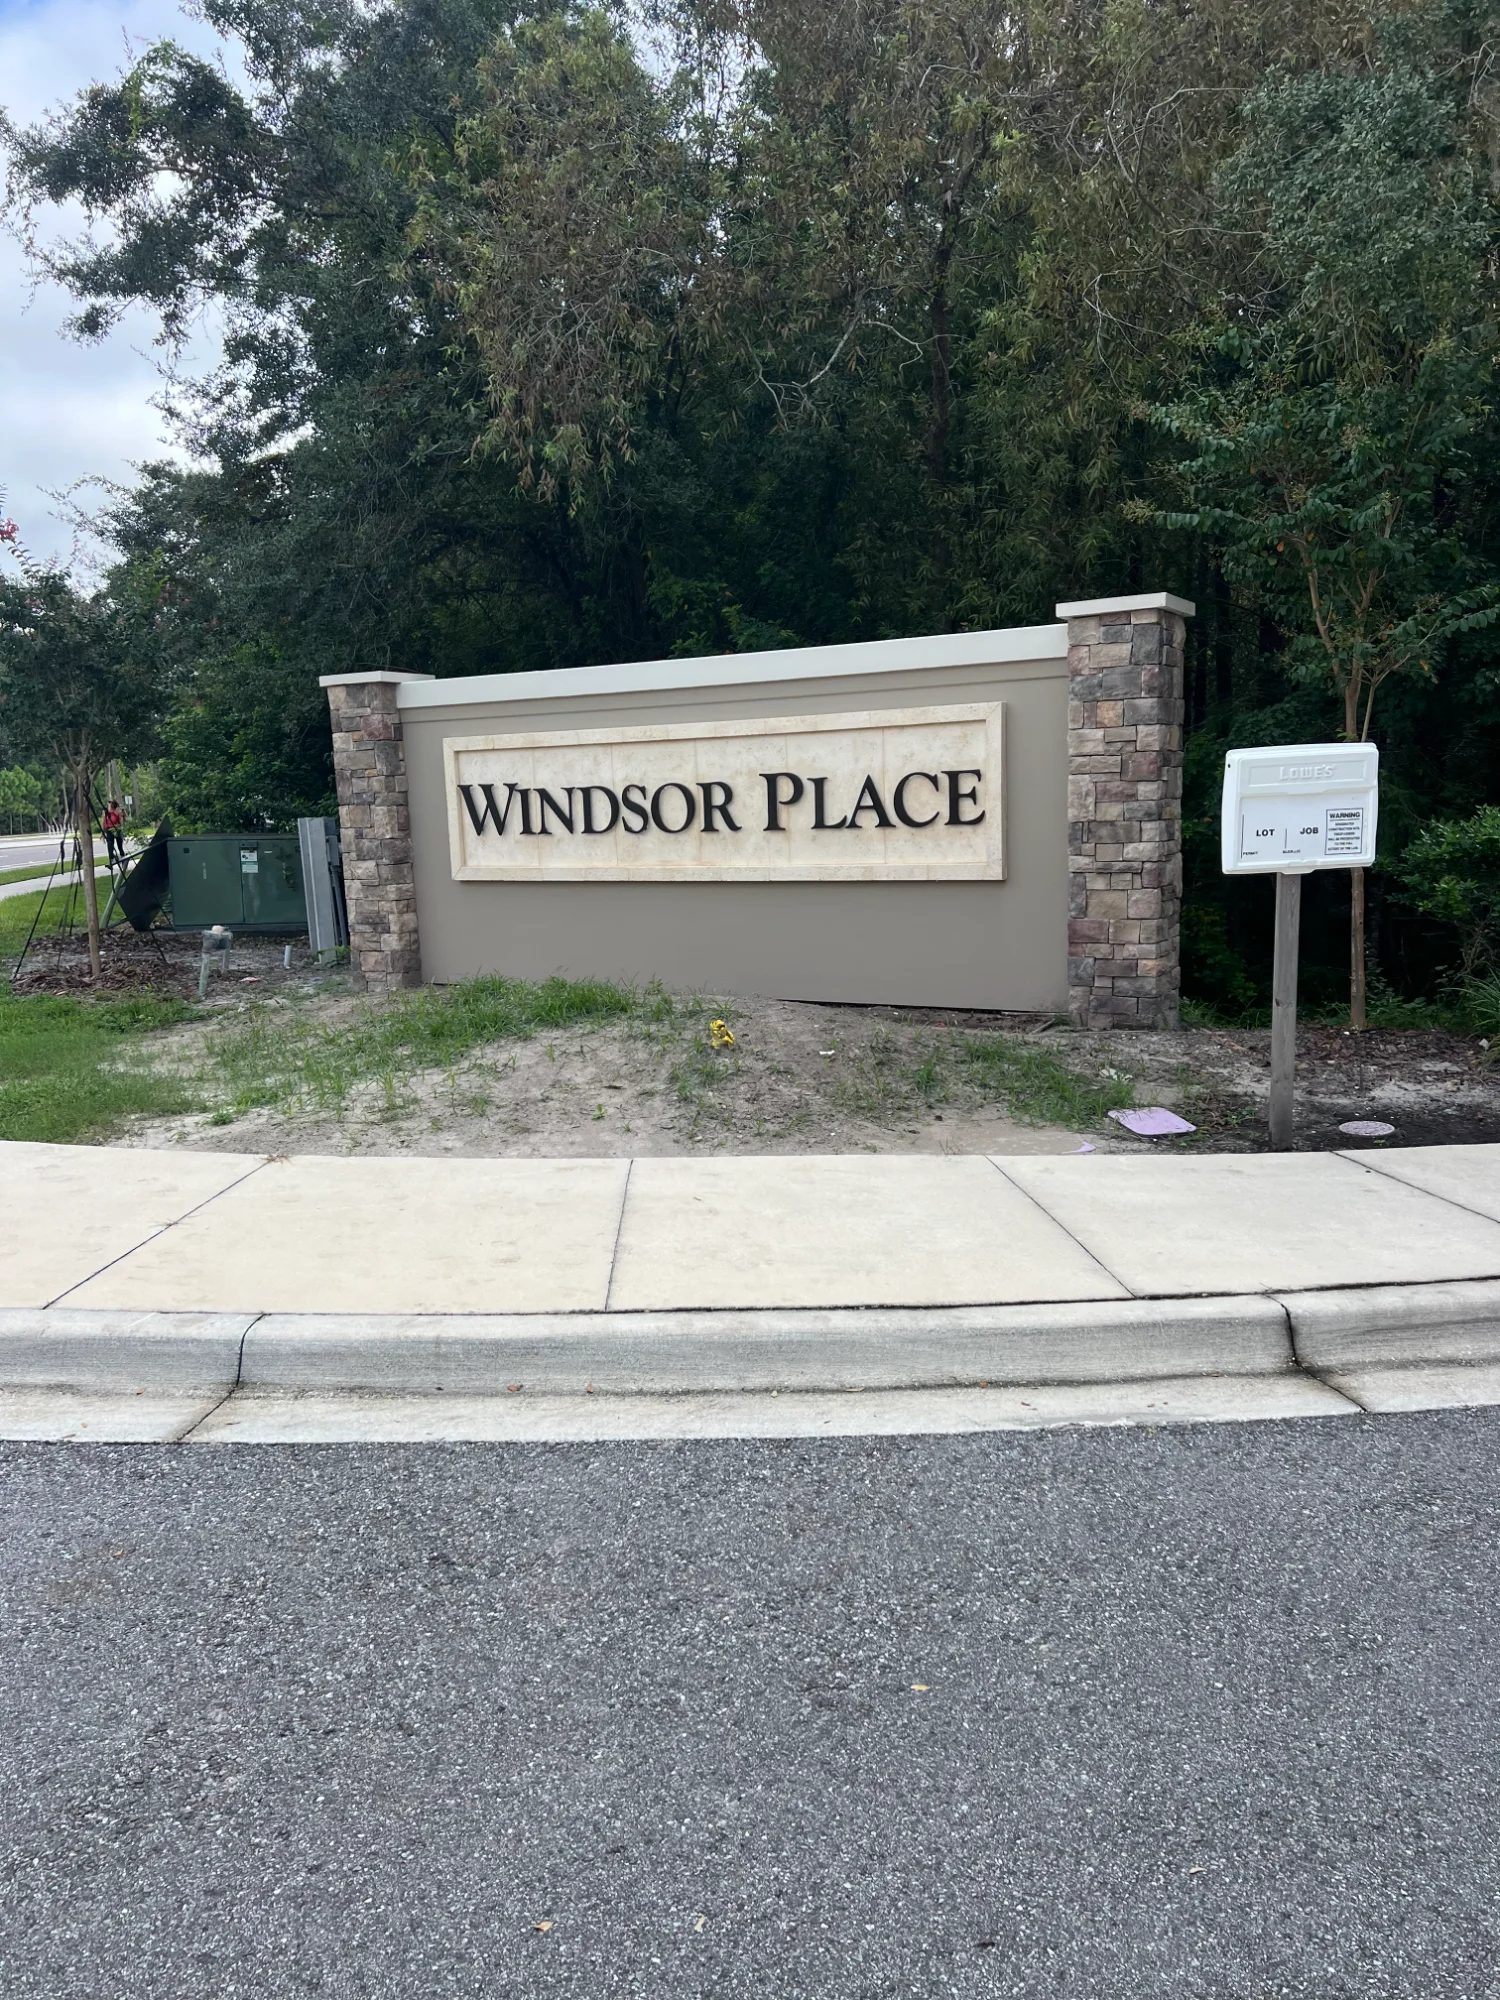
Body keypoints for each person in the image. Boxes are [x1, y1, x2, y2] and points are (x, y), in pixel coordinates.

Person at [102, 798, 126, 869]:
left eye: (110, 804)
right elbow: (103, 823)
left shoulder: (117, 811)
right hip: (109, 830)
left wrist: (120, 829)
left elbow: (121, 822)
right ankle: (111, 859)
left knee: (119, 846)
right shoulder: (106, 813)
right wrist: (103, 833)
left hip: (116, 830)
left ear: (113, 805)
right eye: (109, 804)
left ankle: (123, 859)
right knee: (110, 844)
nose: (109, 805)